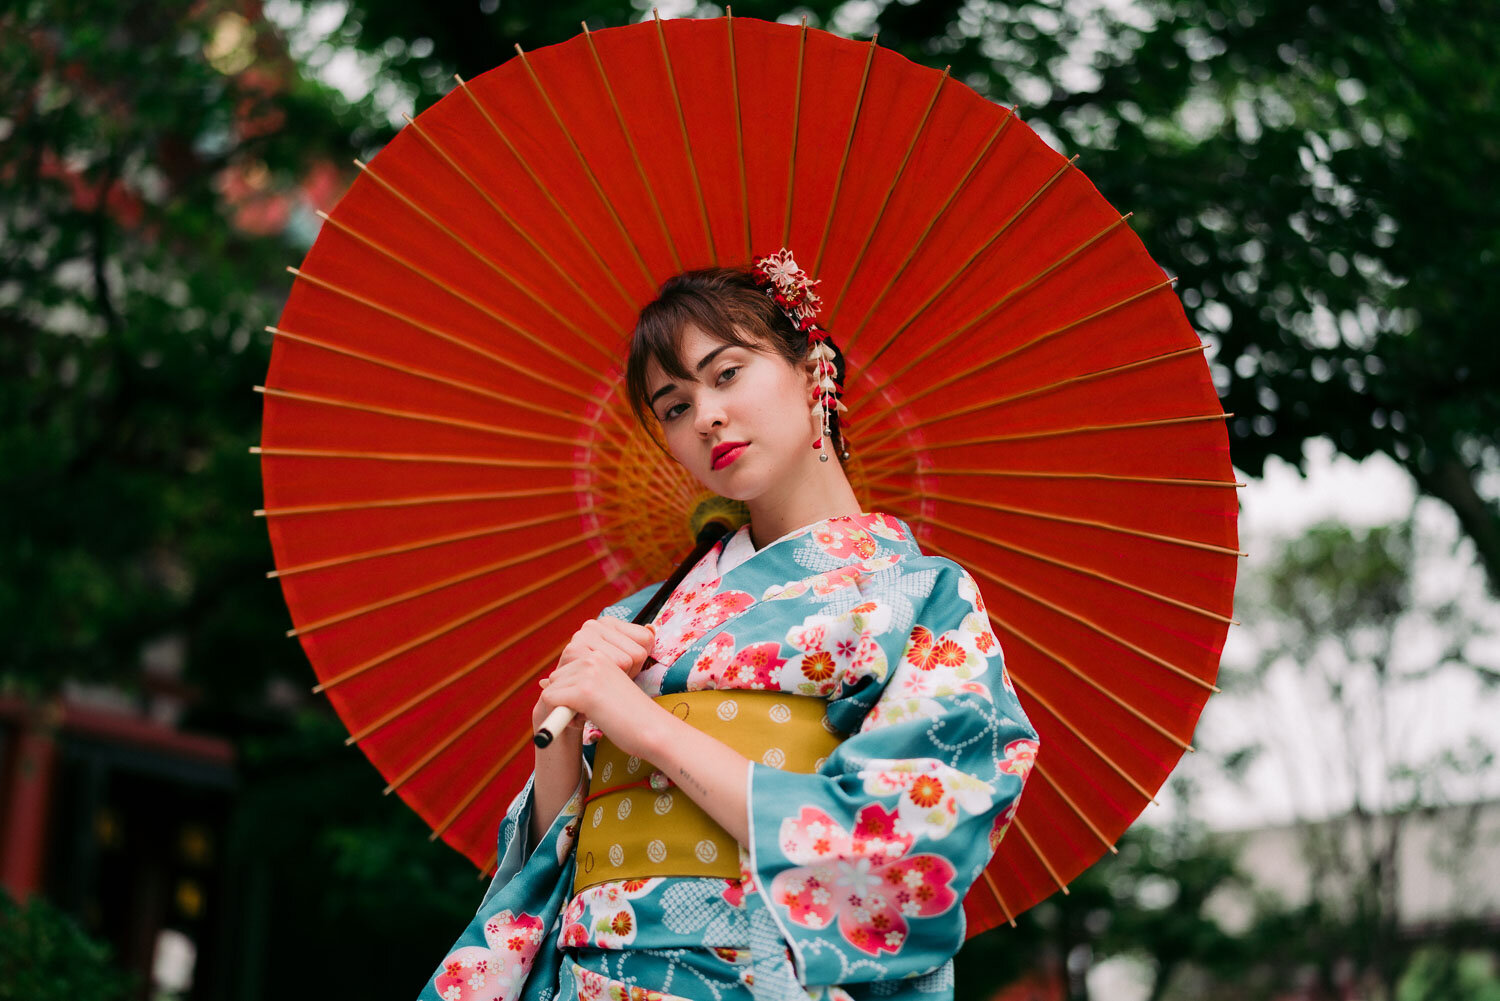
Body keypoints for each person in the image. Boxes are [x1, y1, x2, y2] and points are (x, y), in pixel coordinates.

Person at [417, 250, 1041, 1001]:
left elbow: (894, 852)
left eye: (727, 373)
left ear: (814, 373)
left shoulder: (921, 597)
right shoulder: (639, 617)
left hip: (756, 974)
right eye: (675, 406)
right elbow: (556, 865)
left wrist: (644, 729)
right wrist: (559, 747)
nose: (706, 416)